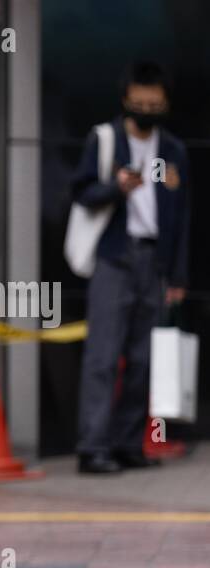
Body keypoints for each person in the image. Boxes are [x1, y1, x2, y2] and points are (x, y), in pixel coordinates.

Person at [72, 61, 190, 475]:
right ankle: (92, 447)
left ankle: (127, 444)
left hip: (154, 261)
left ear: (165, 104)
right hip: (114, 257)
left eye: (154, 104)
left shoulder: (173, 150)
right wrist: (116, 188)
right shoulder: (105, 140)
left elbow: (182, 215)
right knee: (102, 356)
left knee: (144, 360)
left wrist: (177, 276)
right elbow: (82, 193)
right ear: (125, 100)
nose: (146, 109)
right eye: (139, 103)